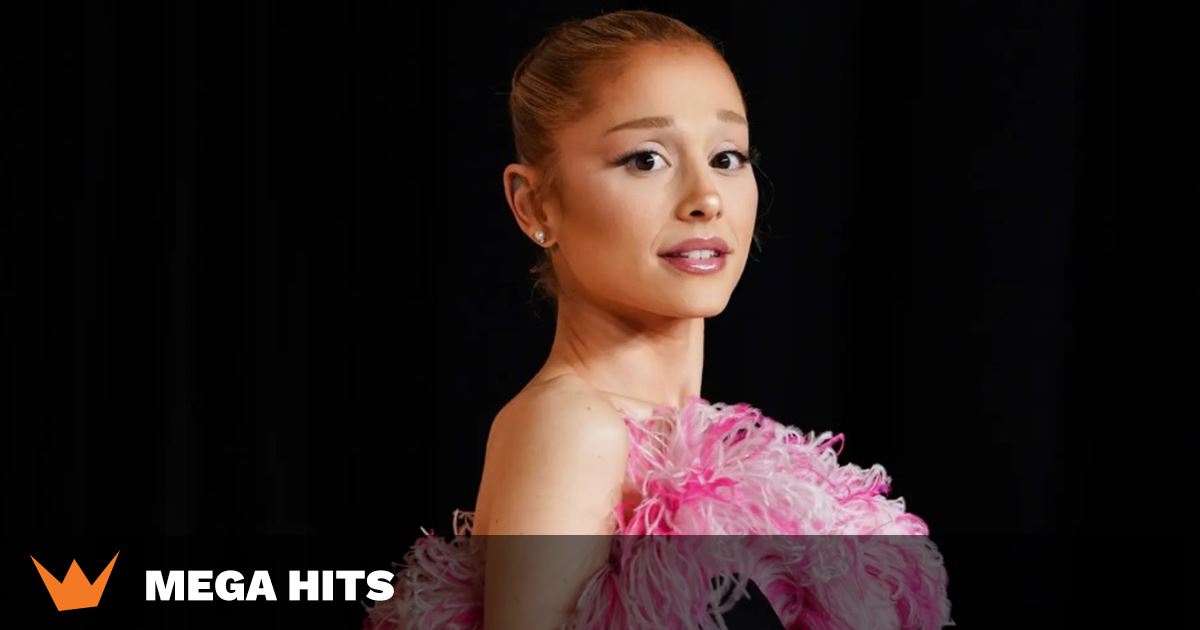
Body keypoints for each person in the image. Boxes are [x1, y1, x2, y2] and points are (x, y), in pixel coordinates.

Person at [364, 9, 951, 629]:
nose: (706, 198)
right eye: (646, 160)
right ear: (535, 204)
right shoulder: (573, 427)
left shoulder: (704, 446)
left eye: (727, 156)